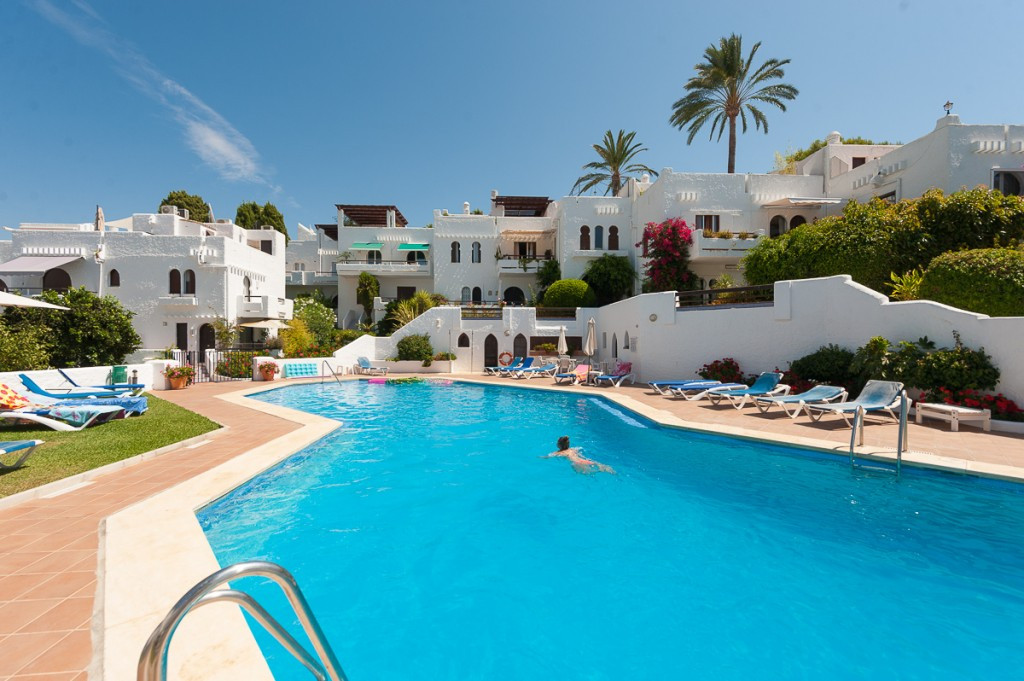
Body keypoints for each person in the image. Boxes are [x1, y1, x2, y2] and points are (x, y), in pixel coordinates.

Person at [542, 435, 615, 475]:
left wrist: (541, 457)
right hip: (583, 460)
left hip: (577, 463)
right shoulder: (573, 449)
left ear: (558, 445)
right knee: (596, 465)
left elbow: (548, 456)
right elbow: (579, 449)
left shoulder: (559, 453)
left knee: (587, 474)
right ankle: (605, 468)